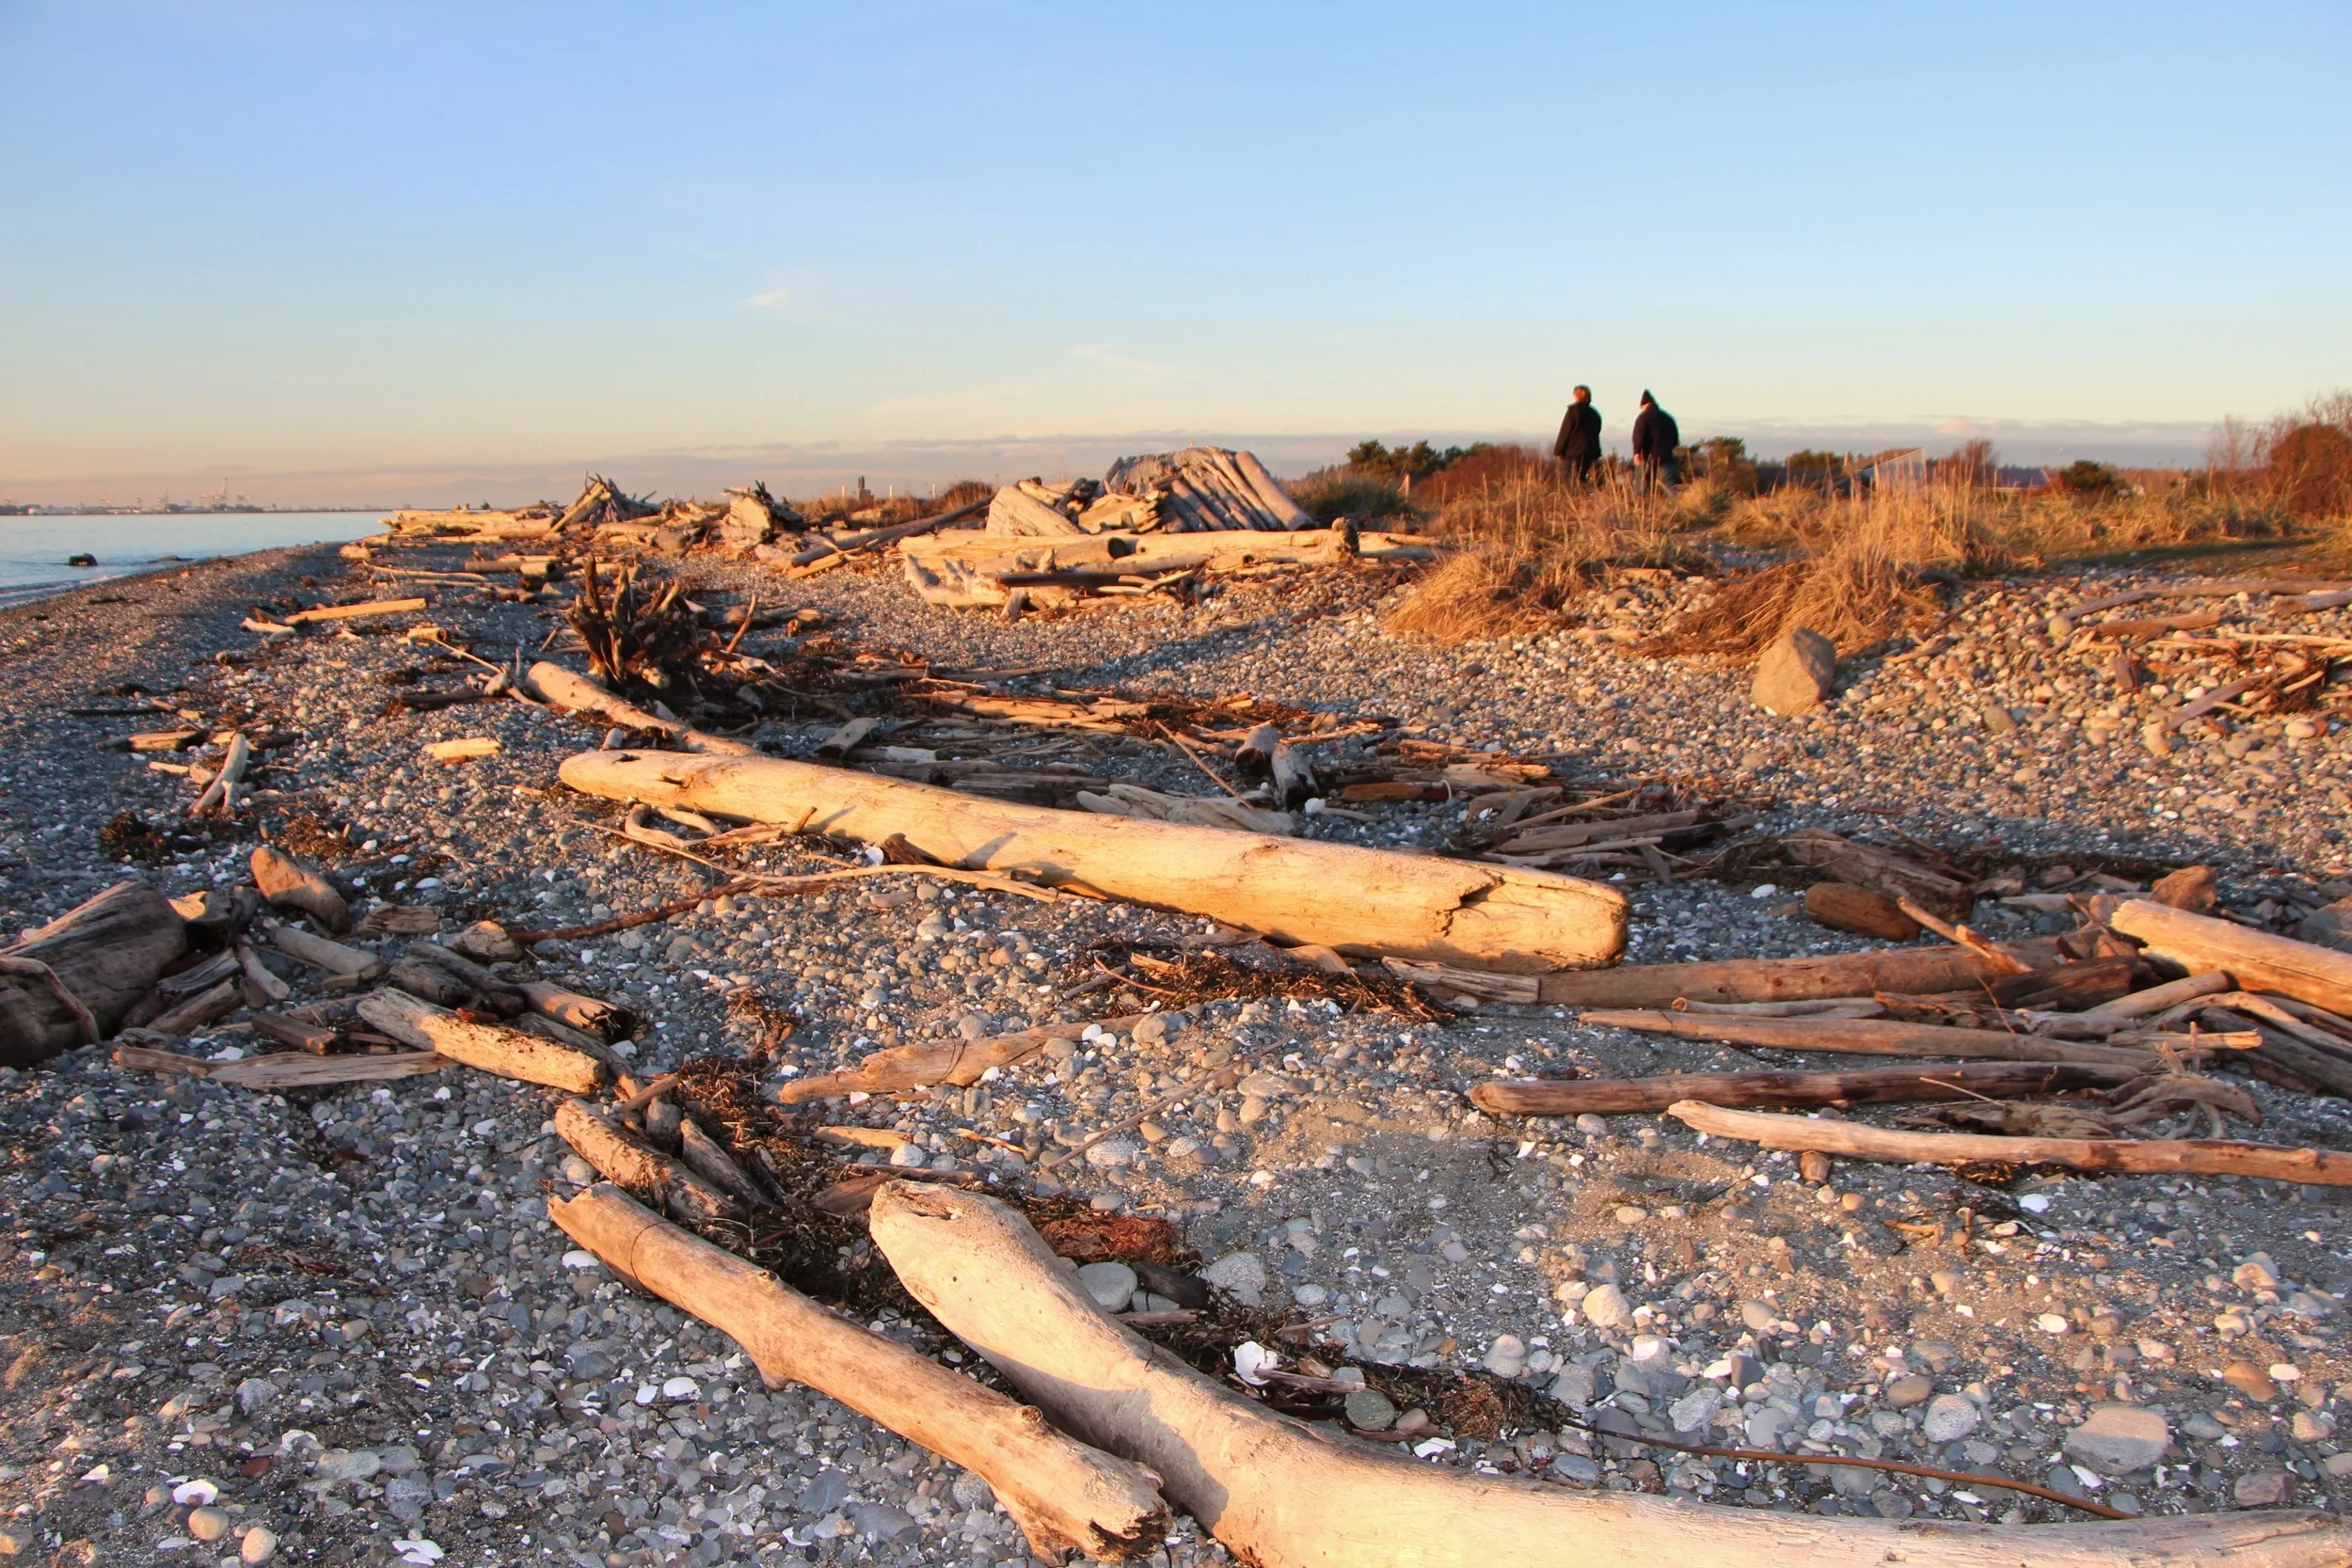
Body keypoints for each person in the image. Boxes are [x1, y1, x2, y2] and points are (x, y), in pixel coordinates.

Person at [1551, 385, 1602, 484]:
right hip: (1591, 452)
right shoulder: (1595, 414)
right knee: (1581, 479)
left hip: (1572, 453)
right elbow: (1597, 431)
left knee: (1569, 480)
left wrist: (1558, 450)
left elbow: (1565, 432)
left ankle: (1575, 498)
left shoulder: (1573, 411)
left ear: (1576, 396)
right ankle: (1584, 497)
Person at [1630, 390, 1680, 491]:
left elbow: (1638, 436)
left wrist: (1637, 452)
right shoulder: (1668, 418)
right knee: (1668, 483)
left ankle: (1641, 505)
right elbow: (1675, 438)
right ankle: (1677, 504)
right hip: (1666, 456)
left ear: (1643, 405)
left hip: (1646, 457)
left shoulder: (1643, 417)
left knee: (1641, 485)